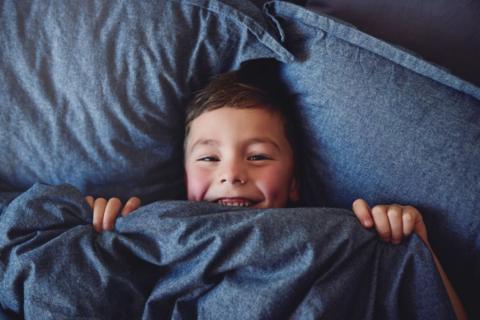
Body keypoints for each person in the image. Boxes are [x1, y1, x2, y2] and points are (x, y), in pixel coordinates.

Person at [85, 70, 466, 319]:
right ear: (183, 176)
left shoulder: (342, 240)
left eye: (258, 156)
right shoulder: (155, 234)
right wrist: (98, 239)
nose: (232, 174)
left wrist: (414, 247)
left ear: (295, 182)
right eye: (208, 158)